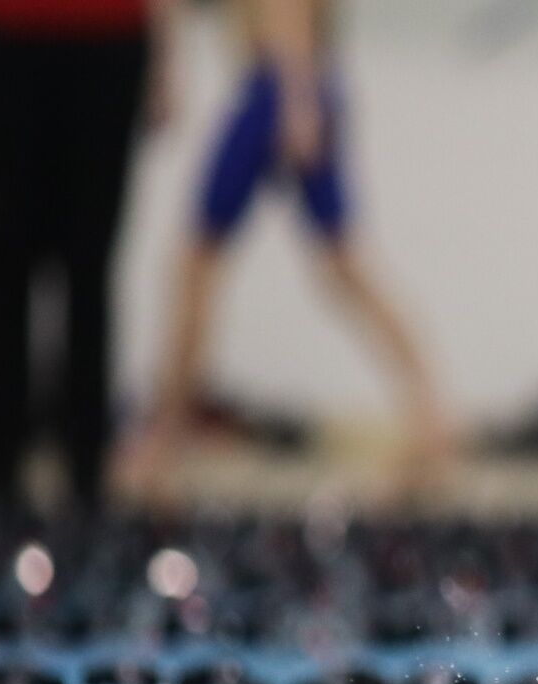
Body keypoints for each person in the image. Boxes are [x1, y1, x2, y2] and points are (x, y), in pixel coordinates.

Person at [117, 0, 448, 501]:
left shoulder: (285, 80)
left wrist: (296, 95)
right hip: (289, 82)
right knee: (335, 266)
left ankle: (166, 439)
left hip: (280, 86)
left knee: (203, 262)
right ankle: (432, 417)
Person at [0, 0, 179, 515]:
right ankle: (2, 465)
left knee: (90, 264)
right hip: (12, 35)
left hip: (109, 38)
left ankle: (87, 472)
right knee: (9, 261)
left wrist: (165, 58)